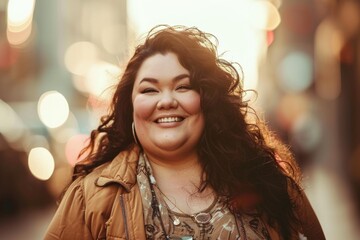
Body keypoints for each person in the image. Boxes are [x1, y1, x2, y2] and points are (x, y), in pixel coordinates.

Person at [45, 25, 325, 240]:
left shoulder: (268, 183)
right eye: (149, 90)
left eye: (182, 87)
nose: (166, 101)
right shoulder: (90, 198)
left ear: (207, 101)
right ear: (131, 108)